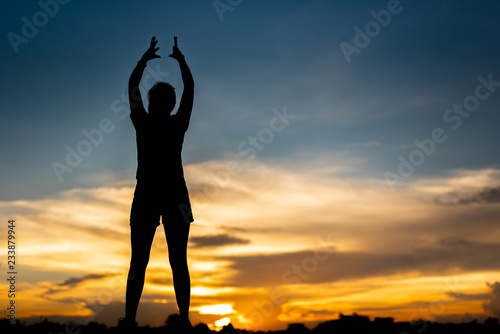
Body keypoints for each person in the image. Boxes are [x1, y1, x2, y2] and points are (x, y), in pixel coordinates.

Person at [118, 36, 195, 331]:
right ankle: (184, 320)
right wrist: (181, 61)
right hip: (175, 195)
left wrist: (143, 61)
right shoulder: (177, 123)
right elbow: (190, 89)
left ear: (152, 103)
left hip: (151, 194)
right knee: (178, 262)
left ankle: (130, 320)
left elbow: (132, 87)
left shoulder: (144, 121)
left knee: (139, 261)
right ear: (171, 103)